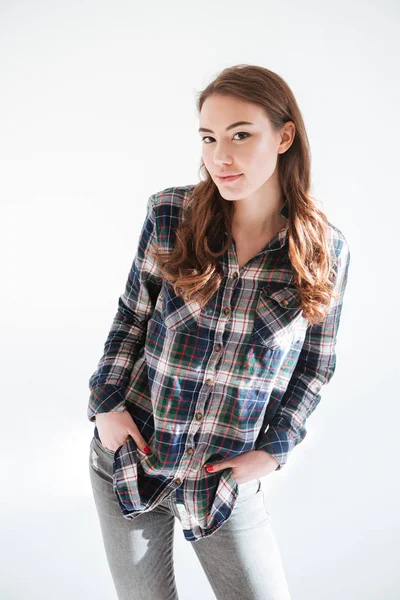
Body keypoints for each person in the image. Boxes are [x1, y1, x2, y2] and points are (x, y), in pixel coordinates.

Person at [87, 64, 351, 600]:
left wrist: (275, 449)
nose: (220, 157)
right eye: (208, 138)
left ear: (284, 136)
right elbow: (130, 317)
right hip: (131, 458)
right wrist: (107, 406)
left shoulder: (324, 250)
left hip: (223, 481)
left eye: (240, 135)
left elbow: (316, 366)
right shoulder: (171, 214)